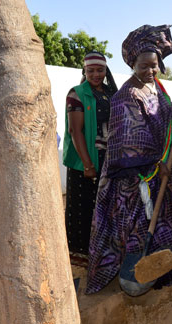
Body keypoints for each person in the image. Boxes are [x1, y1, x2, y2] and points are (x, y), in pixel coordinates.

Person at [86, 25, 172, 295]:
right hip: (136, 180)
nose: (151, 71)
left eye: (154, 65)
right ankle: (142, 276)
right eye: (144, 66)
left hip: (162, 169)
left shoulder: (153, 87)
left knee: (166, 222)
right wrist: (153, 165)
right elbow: (128, 143)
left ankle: (168, 274)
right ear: (133, 64)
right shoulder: (126, 96)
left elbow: (163, 111)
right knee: (140, 229)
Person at [62, 51, 118, 267]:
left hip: (108, 160)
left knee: (105, 208)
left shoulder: (110, 93)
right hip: (85, 161)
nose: (96, 74)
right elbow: (75, 131)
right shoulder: (77, 94)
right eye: (91, 70)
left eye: (100, 70)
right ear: (84, 71)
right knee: (83, 209)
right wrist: (88, 164)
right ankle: (80, 257)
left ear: (106, 71)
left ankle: (104, 254)